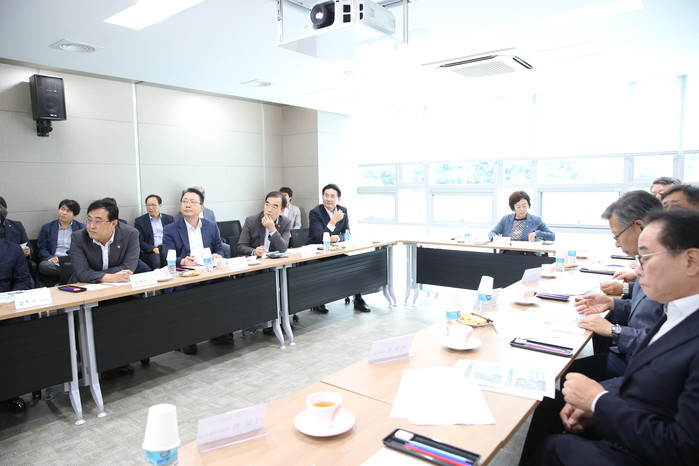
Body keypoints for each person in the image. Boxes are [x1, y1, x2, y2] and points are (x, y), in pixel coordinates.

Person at [519, 208, 699, 466]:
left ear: (690, 261)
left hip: (646, 450)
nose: (637, 269)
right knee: (548, 405)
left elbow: (684, 450)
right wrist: (600, 408)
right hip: (637, 418)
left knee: (555, 447)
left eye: (645, 257)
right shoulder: (677, 309)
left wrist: (599, 402)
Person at [570, 191, 665, 381]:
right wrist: (612, 303)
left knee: (571, 377)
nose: (617, 244)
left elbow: (666, 342)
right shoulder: (648, 260)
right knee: (572, 372)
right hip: (633, 357)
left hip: (648, 370)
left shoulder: (667, 268)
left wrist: (614, 331)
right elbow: (647, 309)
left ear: (639, 226)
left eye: (617, 236)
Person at [163, 188, 225, 354]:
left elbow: (219, 247)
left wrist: (217, 255)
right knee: (184, 292)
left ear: (201, 207)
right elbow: (167, 254)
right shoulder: (170, 229)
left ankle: (220, 331)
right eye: (184, 201)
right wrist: (182, 261)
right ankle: (187, 338)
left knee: (225, 283)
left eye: (192, 202)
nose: (187, 205)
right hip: (185, 275)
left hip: (208, 272)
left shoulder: (210, 226)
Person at [307, 183, 370, 313]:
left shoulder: (343, 210)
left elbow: (347, 233)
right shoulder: (315, 212)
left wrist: (336, 238)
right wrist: (333, 221)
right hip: (316, 253)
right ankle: (318, 301)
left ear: (338, 199)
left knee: (354, 264)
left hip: (333, 251)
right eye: (326, 195)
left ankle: (358, 299)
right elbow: (320, 237)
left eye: (332, 196)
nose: (328, 199)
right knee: (322, 268)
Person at [0, 225, 35, 413]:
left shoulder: (12, 249)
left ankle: (10, 392)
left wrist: (7, 300)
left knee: (14, 332)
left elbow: (24, 280)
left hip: (6, 305)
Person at [69, 198, 140, 284]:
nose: (91, 226)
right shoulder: (78, 237)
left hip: (117, 286)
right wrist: (109, 277)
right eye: (89, 220)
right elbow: (81, 273)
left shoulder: (130, 234)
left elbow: (128, 268)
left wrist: (91, 274)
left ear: (113, 223)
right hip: (85, 286)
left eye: (98, 221)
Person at [36, 199, 85, 286]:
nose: (64, 213)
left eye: (68, 211)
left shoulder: (81, 228)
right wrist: (50, 258)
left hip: (72, 260)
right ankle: (72, 277)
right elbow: (41, 248)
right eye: (62, 209)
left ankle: (64, 280)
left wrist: (69, 259)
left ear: (75, 215)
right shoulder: (47, 227)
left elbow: (83, 248)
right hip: (54, 262)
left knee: (80, 265)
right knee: (44, 266)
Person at [488, 191, 555, 252]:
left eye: (524, 206)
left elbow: (552, 236)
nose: (522, 209)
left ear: (528, 205)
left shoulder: (536, 220)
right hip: (506, 254)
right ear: (513, 207)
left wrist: (536, 233)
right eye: (518, 207)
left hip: (527, 256)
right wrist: (495, 238)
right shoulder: (506, 219)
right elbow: (492, 233)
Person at [237, 191, 292, 257]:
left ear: (281, 211)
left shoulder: (285, 222)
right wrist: (254, 251)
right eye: (267, 204)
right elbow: (241, 246)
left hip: (274, 261)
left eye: (274, 207)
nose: (269, 210)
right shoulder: (251, 220)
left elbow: (283, 248)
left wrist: (272, 230)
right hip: (256, 260)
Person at [134, 194, 175, 270]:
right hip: (152, 250)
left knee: (174, 260)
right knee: (156, 262)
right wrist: (153, 249)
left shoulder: (169, 219)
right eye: (148, 205)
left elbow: (174, 236)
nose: (150, 208)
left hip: (167, 248)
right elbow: (139, 241)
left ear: (160, 205)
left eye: (153, 205)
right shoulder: (140, 221)